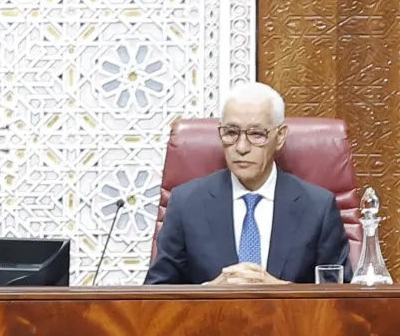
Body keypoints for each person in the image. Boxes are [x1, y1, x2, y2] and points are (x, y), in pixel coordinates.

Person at [144, 81, 351, 286]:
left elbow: (340, 300)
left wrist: (283, 293)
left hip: (288, 320)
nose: (241, 147)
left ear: (280, 137)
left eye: (256, 134)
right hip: (211, 319)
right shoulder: (186, 203)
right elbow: (155, 298)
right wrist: (209, 294)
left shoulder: (318, 207)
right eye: (231, 133)